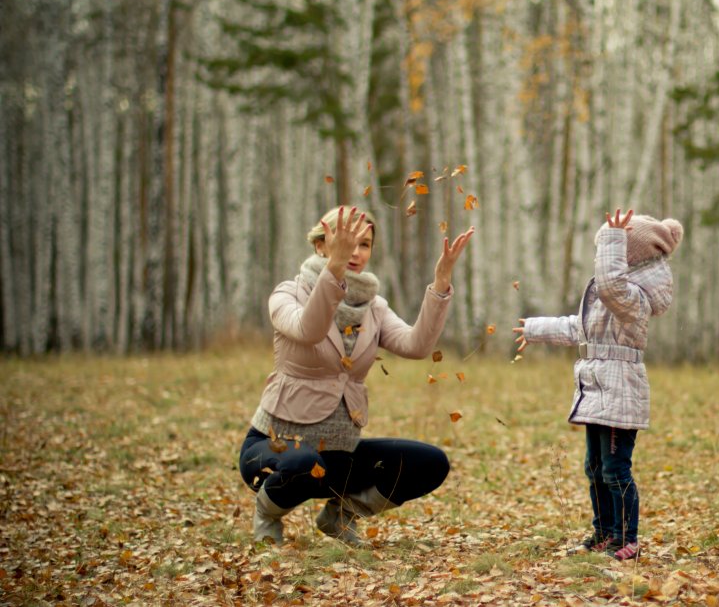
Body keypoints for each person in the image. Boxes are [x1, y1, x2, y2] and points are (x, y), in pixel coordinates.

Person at [239, 205, 474, 546]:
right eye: (345, 242)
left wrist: (440, 283)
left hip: (338, 452)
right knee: (305, 461)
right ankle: (267, 514)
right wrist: (333, 272)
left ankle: (342, 513)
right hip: (272, 446)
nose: (356, 252)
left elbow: (416, 345)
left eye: (364, 244)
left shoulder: (375, 307)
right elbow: (309, 329)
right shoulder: (287, 294)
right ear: (321, 245)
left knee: (430, 462)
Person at [513, 209, 683, 561]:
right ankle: (604, 533)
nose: (602, 254)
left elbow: (609, 285)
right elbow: (579, 327)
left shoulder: (633, 300)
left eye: (611, 247)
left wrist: (612, 239)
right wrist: (534, 329)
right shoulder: (616, 299)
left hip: (621, 391)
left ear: (627, 254)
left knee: (615, 468)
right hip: (598, 388)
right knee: (594, 467)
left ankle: (626, 539)